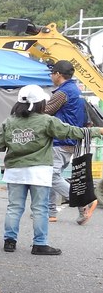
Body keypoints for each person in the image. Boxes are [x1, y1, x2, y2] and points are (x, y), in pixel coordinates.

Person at [0, 85, 103, 255]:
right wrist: (96, 130)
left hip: (15, 172)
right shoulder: (46, 120)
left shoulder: (9, 121)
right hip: (39, 172)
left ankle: (10, 242)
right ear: (40, 103)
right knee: (40, 208)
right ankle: (39, 244)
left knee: (14, 207)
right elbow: (71, 131)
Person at [45, 59, 97, 225]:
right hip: (72, 141)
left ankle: (83, 200)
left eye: (52, 73)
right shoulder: (77, 91)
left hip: (60, 140)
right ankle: (51, 212)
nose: (51, 76)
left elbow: (45, 112)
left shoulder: (62, 92)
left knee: (52, 177)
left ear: (58, 74)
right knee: (53, 176)